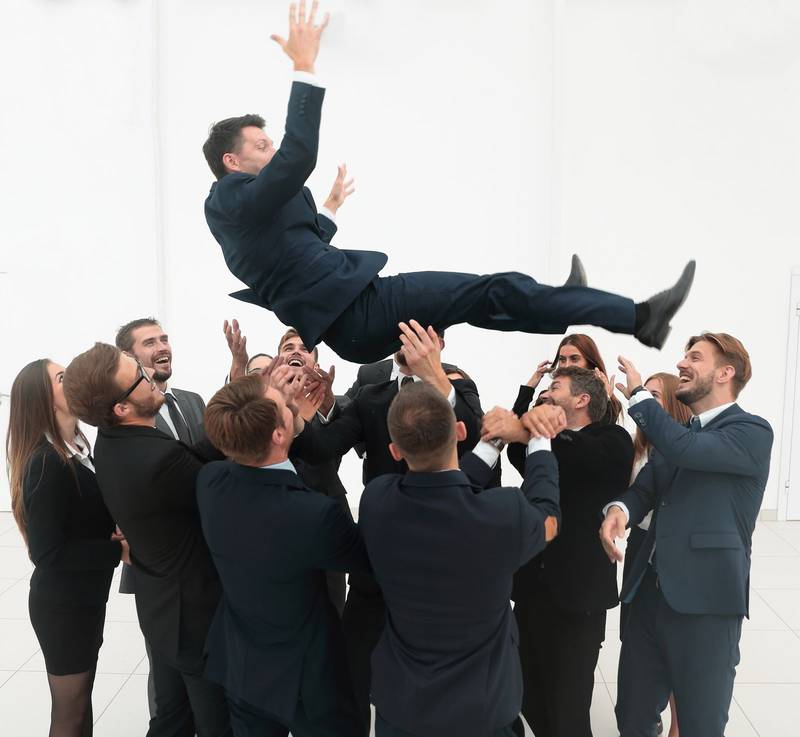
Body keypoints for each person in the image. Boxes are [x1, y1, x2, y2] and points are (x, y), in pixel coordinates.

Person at [202, 1, 696, 365]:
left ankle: (565, 303)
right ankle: (639, 318)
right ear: (231, 160)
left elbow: (297, 256)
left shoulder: (246, 218)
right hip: (360, 312)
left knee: (486, 298)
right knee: (490, 291)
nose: (272, 151)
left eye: (271, 143)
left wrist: (327, 211)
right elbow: (298, 157)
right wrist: (305, 66)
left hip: (354, 325)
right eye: (261, 146)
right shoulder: (226, 200)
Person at [290, 320, 485, 732]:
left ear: (438, 343)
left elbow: (473, 436)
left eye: (419, 335)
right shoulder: (372, 395)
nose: (406, 342)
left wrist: (436, 375)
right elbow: (324, 446)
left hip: (440, 567)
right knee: (354, 674)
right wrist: (299, 414)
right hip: (377, 568)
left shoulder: (460, 388)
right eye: (401, 332)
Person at [358, 381, 560, 737]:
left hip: (403, 707)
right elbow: (549, 521)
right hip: (481, 712)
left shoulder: (376, 500)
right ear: (461, 431)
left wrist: (493, 443)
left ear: (395, 450)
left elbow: (441, 487)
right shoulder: (503, 515)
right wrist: (540, 438)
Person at [600, 333, 773, 737]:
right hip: (648, 597)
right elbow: (644, 490)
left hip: (707, 606)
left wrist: (639, 395)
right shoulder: (678, 434)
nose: (681, 363)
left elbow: (688, 451)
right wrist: (619, 510)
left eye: (695, 357)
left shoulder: (751, 431)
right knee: (632, 717)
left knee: (700, 724)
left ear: (725, 373)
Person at [62, 344, 232, 737]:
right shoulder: (158, 458)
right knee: (215, 722)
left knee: (171, 717)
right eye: (139, 375)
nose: (151, 374)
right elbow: (217, 485)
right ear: (121, 407)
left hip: (160, 608)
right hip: (194, 619)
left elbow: (192, 459)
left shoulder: (111, 440)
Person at [197, 368, 370, 737]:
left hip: (243, 665)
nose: (290, 401)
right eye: (283, 404)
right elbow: (365, 559)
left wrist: (275, 406)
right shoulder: (313, 515)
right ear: (278, 434)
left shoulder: (210, 482)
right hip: (308, 679)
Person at [503, 367, 633, 737]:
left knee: (568, 707)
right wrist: (527, 395)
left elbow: (578, 452)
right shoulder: (539, 444)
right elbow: (515, 446)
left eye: (555, 386)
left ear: (582, 399)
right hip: (532, 590)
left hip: (578, 597)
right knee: (527, 693)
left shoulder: (612, 439)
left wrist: (536, 429)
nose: (547, 391)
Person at [6, 359, 128, 737]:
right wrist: (117, 552)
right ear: (44, 399)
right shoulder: (46, 461)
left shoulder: (77, 447)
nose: (72, 380)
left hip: (85, 598)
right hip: (63, 607)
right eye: (62, 378)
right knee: (69, 715)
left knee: (80, 705)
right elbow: (48, 553)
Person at [617, 372, 690, 737]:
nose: (645, 399)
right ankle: (649, 712)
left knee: (675, 653)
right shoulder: (638, 448)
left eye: (654, 395)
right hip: (640, 546)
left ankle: (678, 724)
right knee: (634, 637)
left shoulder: (682, 449)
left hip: (671, 553)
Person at [517, 333, 623, 423]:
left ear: (590, 363)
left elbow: (599, 436)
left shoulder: (610, 403)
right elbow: (516, 433)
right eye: (562, 360)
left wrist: (604, 398)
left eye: (574, 359)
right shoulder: (547, 397)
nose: (567, 365)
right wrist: (530, 386)